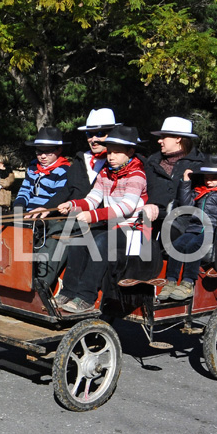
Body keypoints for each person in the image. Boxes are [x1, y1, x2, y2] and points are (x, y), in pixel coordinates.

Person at [55, 126, 148, 314]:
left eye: (116, 152)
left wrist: (93, 215)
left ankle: (87, 297)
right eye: (109, 151)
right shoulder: (105, 172)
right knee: (78, 239)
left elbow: (127, 207)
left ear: (130, 152)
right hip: (112, 228)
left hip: (136, 233)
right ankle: (68, 291)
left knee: (101, 241)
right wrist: (72, 204)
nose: (111, 156)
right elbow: (93, 199)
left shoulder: (137, 175)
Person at [158, 155, 217, 301]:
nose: (209, 181)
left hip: (216, 231)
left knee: (194, 246)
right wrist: (185, 182)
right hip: (195, 227)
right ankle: (171, 281)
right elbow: (186, 205)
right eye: (207, 177)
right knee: (176, 245)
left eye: (214, 177)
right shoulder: (200, 191)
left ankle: (188, 282)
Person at [143, 116, 205, 231]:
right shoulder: (151, 162)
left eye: (163, 137)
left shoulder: (199, 166)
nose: (159, 141)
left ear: (178, 138)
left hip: (183, 229)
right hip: (148, 224)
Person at [14, 127, 71, 212]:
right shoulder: (32, 168)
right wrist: (19, 206)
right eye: (39, 151)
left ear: (59, 150)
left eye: (48, 152)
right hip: (28, 212)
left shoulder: (64, 171)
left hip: (48, 214)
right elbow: (24, 190)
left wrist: (43, 211)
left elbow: (59, 197)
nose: (43, 156)